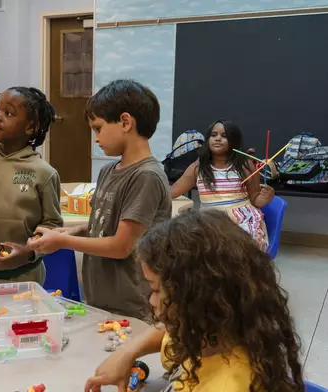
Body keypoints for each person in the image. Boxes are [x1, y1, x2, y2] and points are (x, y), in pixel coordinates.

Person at [84, 209, 304, 392]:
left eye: (156, 289)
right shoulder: (206, 338)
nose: (151, 300)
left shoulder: (226, 384)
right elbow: (164, 334)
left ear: (198, 299)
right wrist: (127, 352)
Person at [28, 79, 171, 321]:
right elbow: (99, 227)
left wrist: (62, 242)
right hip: (102, 298)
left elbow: (121, 246)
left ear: (125, 122)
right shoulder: (108, 171)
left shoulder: (146, 176)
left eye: (98, 128)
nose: (95, 138)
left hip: (133, 304)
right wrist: (67, 232)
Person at [0, 86, 62, 284]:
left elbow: (52, 225)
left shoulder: (44, 172)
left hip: (27, 273)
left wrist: (29, 251)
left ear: (30, 127)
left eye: (8, 113)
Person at [171, 119, 273, 251]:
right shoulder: (198, 166)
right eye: (214, 135)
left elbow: (255, 198)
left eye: (224, 136)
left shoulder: (245, 165)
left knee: (239, 249)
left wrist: (265, 198)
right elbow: (173, 191)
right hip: (209, 220)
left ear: (234, 141)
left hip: (242, 220)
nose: (217, 139)